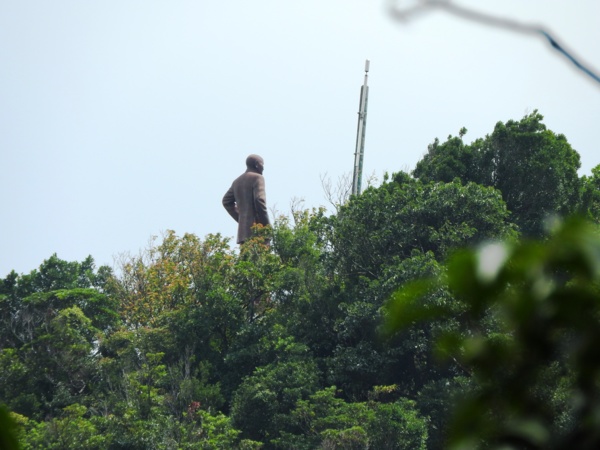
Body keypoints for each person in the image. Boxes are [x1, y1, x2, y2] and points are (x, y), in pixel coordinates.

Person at [222, 154, 270, 244]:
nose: (263, 168)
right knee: (262, 252)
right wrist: (266, 226)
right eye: (262, 164)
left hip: (243, 233)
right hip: (258, 232)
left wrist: (242, 219)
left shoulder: (236, 182)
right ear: (257, 164)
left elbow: (226, 202)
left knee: (246, 253)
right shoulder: (258, 178)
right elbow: (259, 200)